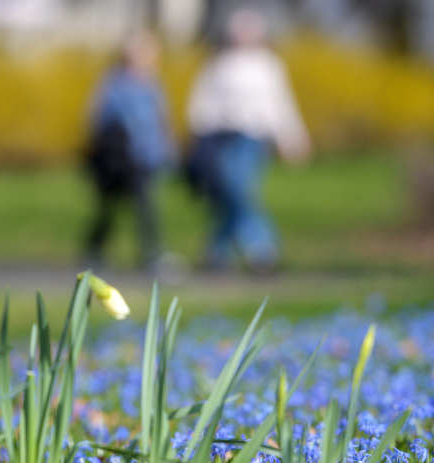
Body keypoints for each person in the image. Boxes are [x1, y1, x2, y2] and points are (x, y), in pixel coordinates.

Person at [185, 8, 310, 273]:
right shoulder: (220, 63)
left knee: (239, 190)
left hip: (253, 138)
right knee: (232, 193)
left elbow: (281, 105)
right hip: (221, 136)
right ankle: (227, 252)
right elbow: (202, 103)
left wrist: (293, 138)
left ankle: (255, 249)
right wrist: (196, 137)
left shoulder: (269, 65)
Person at [83, 31, 172, 271]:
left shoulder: (152, 84)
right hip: (121, 157)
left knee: (145, 205)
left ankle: (151, 252)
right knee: (110, 206)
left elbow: (161, 120)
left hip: (145, 157)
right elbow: (98, 118)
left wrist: (167, 150)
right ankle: (94, 248)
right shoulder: (114, 83)